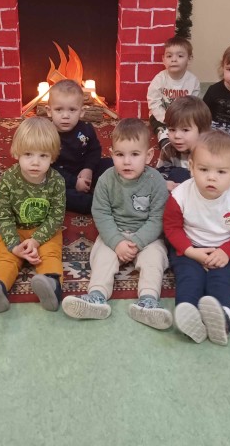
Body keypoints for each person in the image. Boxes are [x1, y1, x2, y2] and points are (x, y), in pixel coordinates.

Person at [62, 119, 171, 329]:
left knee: (154, 258)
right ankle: (97, 296)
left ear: (149, 155)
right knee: (102, 256)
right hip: (115, 231)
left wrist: (137, 242)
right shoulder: (106, 180)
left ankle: (148, 301)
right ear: (111, 154)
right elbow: (101, 214)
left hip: (147, 236)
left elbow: (158, 218)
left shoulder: (156, 181)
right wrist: (117, 241)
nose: (127, 162)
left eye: (135, 154)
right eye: (120, 155)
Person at [164, 131, 230, 345]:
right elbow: (171, 228)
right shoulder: (180, 195)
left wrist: (227, 252)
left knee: (222, 282)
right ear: (191, 167)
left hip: (223, 250)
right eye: (204, 169)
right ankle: (189, 317)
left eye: (221, 172)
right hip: (189, 248)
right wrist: (190, 251)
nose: (211, 177)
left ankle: (223, 318)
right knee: (189, 280)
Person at [0, 117, 66, 313]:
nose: (35, 162)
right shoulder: (8, 179)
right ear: (17, 153)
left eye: (43, 155)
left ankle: (51, 285)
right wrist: (14, 245)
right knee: (5, 258)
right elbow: (3, 215)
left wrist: (36, 240)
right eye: (28, 154)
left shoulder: (57, 181)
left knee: (50, 254)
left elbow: (56, 217)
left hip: (45, 230)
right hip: (15, 229)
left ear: (53, 157)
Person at [46, 79, 110, 214]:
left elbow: (94, 151)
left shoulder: (86, 129)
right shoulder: (47, 135)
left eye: (72, 110)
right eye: (59, 110)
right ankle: (96, 203)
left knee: (112, 164)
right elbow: (49, 168)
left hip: (84, 170)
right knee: (56, 192)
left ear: (81, 112)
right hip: (61, 177)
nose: (65, 116)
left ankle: (112, 190)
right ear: (49, 111)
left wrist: (88, 169)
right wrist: (75, 182)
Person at [147, 36, 201, 150]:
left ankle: (190, 145)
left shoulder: (193, 81)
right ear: (163, 59)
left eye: (180, 56)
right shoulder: (159, 79)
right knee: (161, 129)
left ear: (189, 59)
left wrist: (183, 119)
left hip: (184, 117)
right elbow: (153, 101)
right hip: (160, 116)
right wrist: (164, 118)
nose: (174, 59)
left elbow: (194, 104)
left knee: (193, 128)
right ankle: (165, 143)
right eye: (169, 56)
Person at [156, 95, 212, 191]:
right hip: (177, 192)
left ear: (202, 131)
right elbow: (161, 173)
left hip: (205, 192)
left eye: (185, 130)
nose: (177, 136)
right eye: (172, 129)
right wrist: (165, 183)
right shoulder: (168, 149)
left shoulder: (212, 150)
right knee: (178, 173)